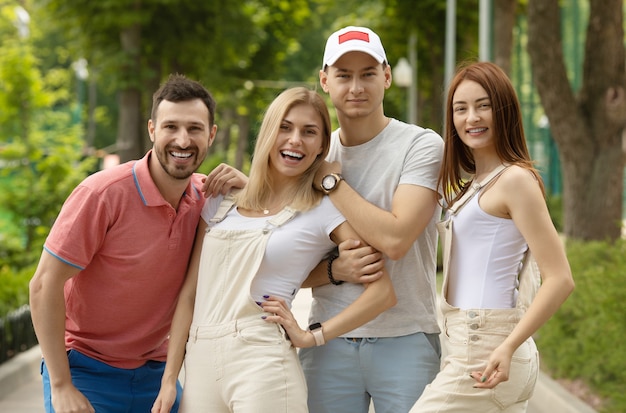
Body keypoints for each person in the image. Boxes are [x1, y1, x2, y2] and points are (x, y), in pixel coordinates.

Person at [151, 87, 396, 413]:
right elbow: (189, 296)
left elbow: (382, 293)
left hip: (263, 361)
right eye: (285, 127)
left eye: (309, 132)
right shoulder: (220, 201)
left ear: (322, 146)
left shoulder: (322, 211)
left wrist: (314, 336)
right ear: (268, 132)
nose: (295, 139)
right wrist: (170, 379)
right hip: (200, 364)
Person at [29, 74, 246, 413]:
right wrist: (61, 385)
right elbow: (44, 283)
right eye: (171, 126)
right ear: (152, 130)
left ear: (212, 135)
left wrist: (248, 187)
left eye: (195, 128)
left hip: (157, 375)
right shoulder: (103, 194)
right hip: (86, 371)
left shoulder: (210, 200)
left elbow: (278, 229)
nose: (182, 139)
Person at [410, 61, 575, 412]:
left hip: (487, 346)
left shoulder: (515, 180)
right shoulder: (474, 185)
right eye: (461, 108)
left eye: (483, 105)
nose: (472, 118)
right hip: (469, 341)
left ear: (504, 110)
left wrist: (508, 345)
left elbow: (560, 278)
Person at [297, 26, 445, 413]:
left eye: (368, 73)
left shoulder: (421, 145)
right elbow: (283, 262)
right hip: (327, 341)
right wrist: (335, 270)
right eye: (344, 76)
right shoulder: (308, 150)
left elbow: (396, 240)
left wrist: (330, 180)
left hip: (407, 338)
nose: (356, 87)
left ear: (387, 76)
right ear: (325, 80)